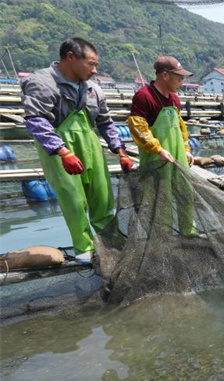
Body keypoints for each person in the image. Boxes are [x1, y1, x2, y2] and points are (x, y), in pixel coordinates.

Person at [21, 37, 133, 263]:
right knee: (73, 201)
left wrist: (120, 151)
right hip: (60, 152)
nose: (95, 70)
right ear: (71, 57)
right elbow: (36, 120)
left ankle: (111, 244)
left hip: (91, 146)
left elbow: (105, 122)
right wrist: (63, 152)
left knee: (103, 198)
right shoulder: (41, 82)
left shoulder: (93, 89)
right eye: (91, 64)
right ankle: (84, 248)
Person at [127, 56, 196, 235]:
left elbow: (180, 127)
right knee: (160, 202)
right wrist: (157, 150)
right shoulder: (144, 96)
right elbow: (138, 127)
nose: (182, 82)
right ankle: (163, 241)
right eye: (179, 78)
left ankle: (189, 235)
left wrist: (186, 150)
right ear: (165, 75)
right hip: (156, 160)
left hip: (178, 158)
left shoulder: (174, 99)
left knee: (185, 197)